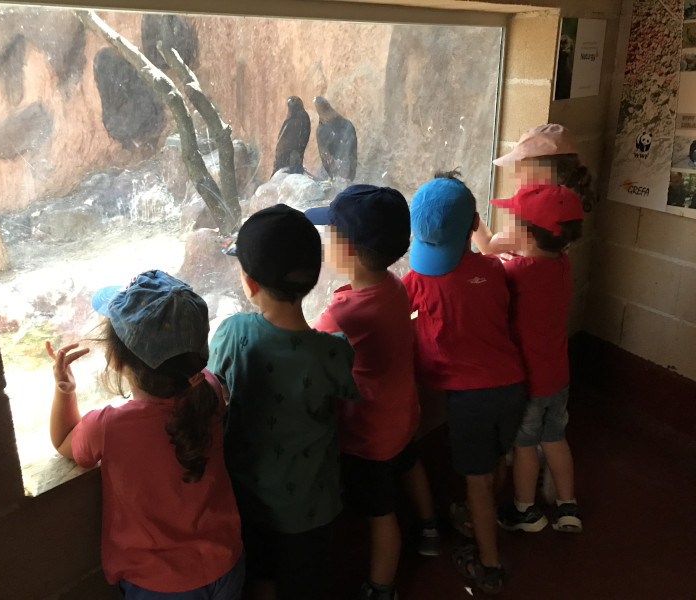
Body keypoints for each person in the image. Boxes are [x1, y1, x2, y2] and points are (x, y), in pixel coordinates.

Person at [47, 270, 244, 600]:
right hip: (226, 563)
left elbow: (65, 440)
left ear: (113, 358)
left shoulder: (108, 426)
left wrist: (64, 388)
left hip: (160, 584)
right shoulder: (208, 390)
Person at [208, 204, 359, 600]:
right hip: (312, 506)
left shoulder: (232, 335)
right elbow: (346, 392)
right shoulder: (333, 353)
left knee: (259, 579)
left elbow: (211, 386)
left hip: (250, 502)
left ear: (250, 283)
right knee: (306, 583)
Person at [304, 185, 439, 600]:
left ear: (349, 249)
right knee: (410, 462)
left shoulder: (342, 314)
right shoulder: (395, 288)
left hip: (369, 436)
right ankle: (431, 526)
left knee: (381, 514)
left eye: (331, 233)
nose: (326, 240)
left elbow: (309, 352)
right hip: (403, 414)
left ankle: (382, 586)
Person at [402, 173, 526, 595]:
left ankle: (488, 564)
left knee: (474, 478)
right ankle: (483, 515)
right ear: (475, 223)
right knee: (496, 459)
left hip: (468, 396)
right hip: (512, 384)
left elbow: (394, 309)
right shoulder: (493, 270)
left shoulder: (421, 278)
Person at [481, 184, 585, 535]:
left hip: (530, 382)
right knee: (556, 438)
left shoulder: (519, 272)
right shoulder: (563, 265)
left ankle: (526, 511)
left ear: (526, 233)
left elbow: (488, 261)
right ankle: (568, 506)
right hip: (559, 378)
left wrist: (477, 226)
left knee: (525, 446)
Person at [472, 123, 594, 257]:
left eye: (520, 169)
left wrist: (468, 213)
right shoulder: (564, 207)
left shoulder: (534, 222)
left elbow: (488, 246)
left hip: (522, 276)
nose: (515, 175)